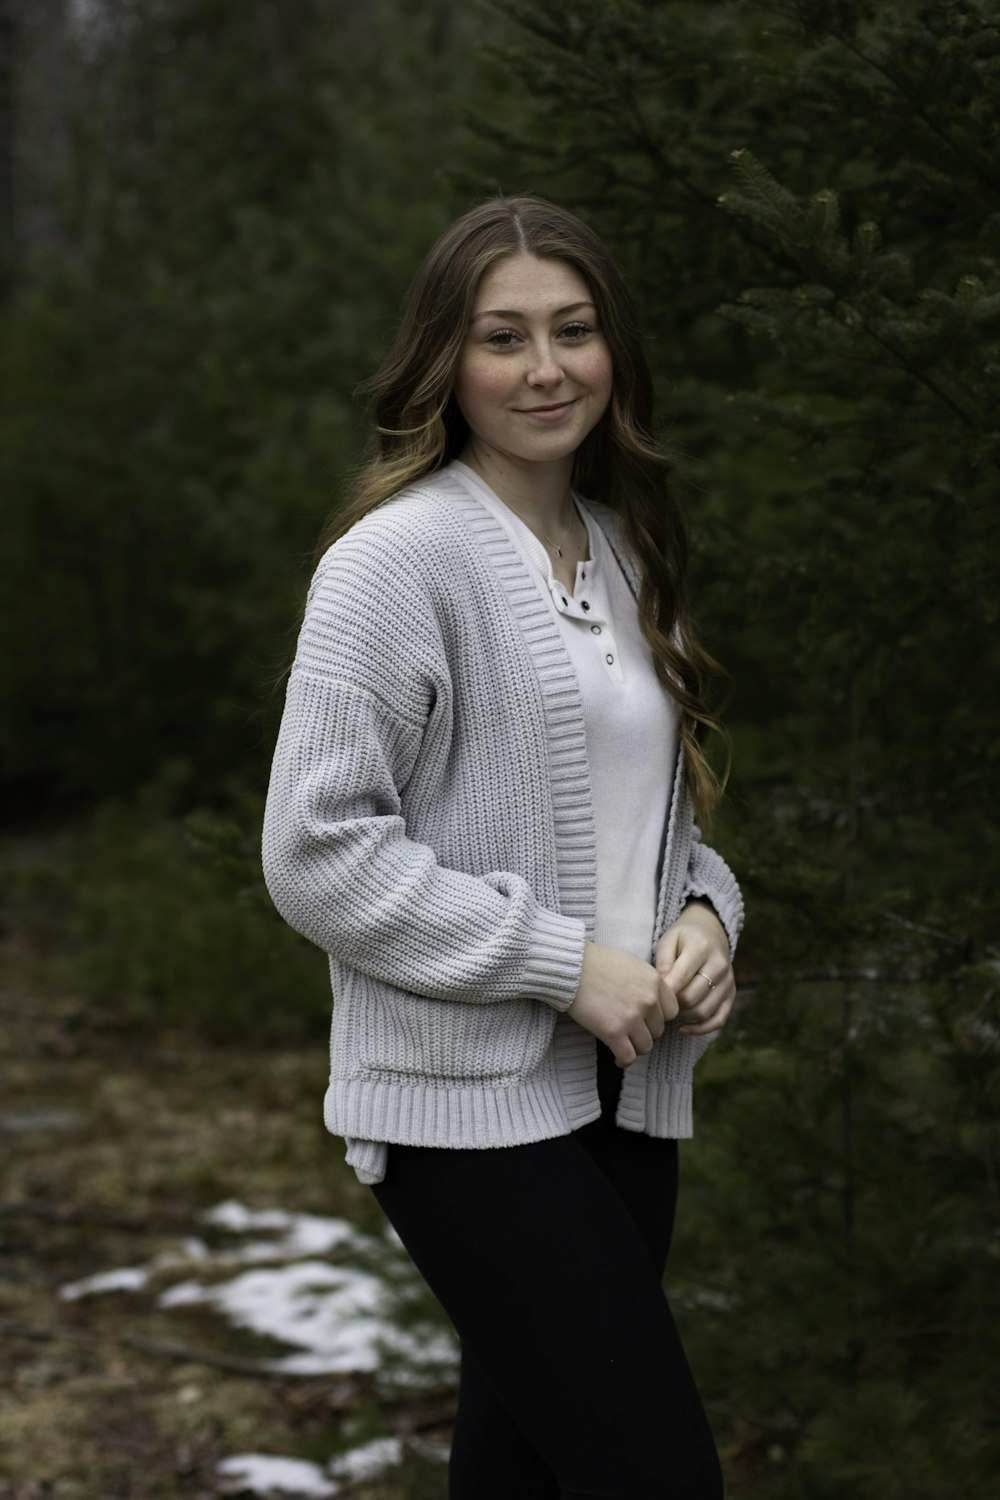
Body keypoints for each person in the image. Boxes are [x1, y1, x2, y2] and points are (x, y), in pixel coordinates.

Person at [262, 194, 743, 1500]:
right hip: (463, 1109)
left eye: (574, 331)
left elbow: (667, 830)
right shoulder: (394, 563)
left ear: (613, 351)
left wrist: (704, 922)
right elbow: (314, 852)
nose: (545, 368)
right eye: (503, 337)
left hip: (628, 1095)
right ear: (446, 362)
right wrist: (558, 961)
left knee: (526, 1474)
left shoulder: (626, 551)